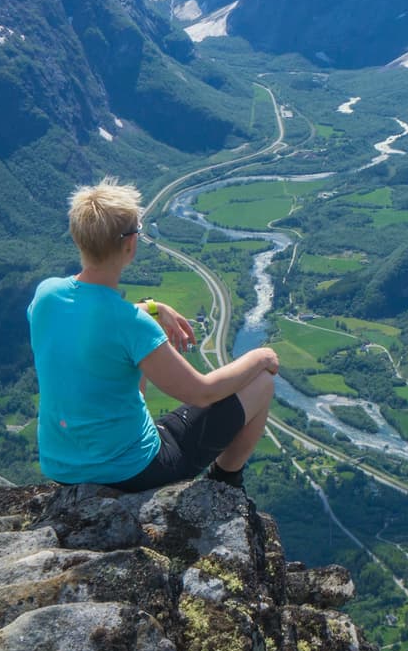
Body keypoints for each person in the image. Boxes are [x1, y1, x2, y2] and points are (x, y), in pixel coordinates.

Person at [27, 177, 278, 491]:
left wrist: (151, 308)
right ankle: (225, 482)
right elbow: (201, 393)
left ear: (79, 239)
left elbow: (93, 322)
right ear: (130, 245)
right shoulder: (131, 325)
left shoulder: (46, 296)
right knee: (262, 382)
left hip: (61, 466)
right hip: (131, 471)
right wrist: (261, 356)